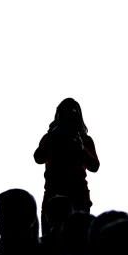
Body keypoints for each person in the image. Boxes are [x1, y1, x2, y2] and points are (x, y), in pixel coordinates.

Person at [33, 98, 99, 234]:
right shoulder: (50, 137)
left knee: (79, 244)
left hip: (78, 199)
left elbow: (95, 166)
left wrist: (82, 149)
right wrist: (52, 135)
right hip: (53, 200)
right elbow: (38, 158)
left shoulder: (84, 140)